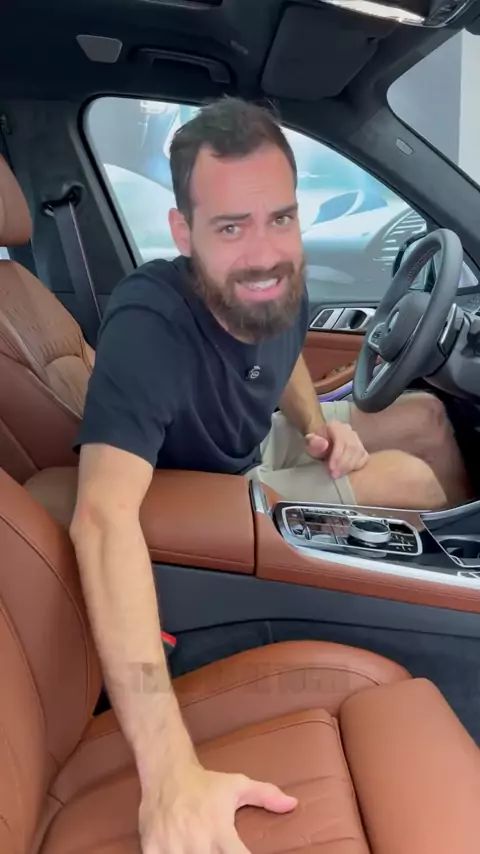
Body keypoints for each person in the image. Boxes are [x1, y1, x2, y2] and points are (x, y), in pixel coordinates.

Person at [70, 96, 469, 854]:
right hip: (216, 493)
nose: (263, 253)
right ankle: (436, 611)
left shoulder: (279, 276)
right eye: (230, 227)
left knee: (424, 417)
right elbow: (101, 518)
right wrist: (169, 772)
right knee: (413, 483)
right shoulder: (147, 325)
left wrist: (318, 429)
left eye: (279, 217)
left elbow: (280, 356)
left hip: (262, 441)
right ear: (183, 232)